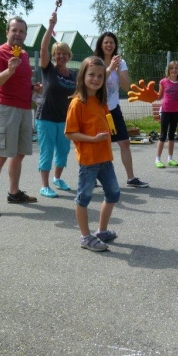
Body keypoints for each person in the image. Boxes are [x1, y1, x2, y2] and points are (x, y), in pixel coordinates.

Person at [0, 17, 43, 217]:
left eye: (21, 31)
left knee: (19, 154)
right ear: (7, 32)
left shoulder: (23, 54)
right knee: (0, 155)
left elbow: (21, 81)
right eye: (14, 30)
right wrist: (9, 70)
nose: (18, 34)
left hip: (24, 108)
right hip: (5, 109)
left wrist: (33, 88)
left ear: (25, 35)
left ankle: (14, 193)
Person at [65, 56, 120, 252]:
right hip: (89, 160)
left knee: (113, 193)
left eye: (100, 76)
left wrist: (110, 130)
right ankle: (86, 237)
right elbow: (70, 133)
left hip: (105, 158)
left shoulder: (100, 101)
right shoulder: (77, 103)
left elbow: (105, 121)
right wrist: (93, 139)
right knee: (84, 198)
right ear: (83, 76)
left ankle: (101, 231)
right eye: (91, 75)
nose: (96, 79)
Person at [94, 32, 149, 188]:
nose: (109, 45)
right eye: (106, 42)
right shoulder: (95, 61)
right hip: (97, 109)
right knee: (97, 144)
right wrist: (110, 67)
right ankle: (91, 177)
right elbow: (96, 82)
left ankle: (131, 178)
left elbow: (126, 87)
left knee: (124, 142)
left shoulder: (121, 62)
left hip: (113, 108)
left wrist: (117, 69)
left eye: (112, 42)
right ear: (101, 44)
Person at [36, 11, 77, 198]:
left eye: (64, 53)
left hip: (65, 119)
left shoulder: (74, 75)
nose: (61, 56)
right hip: (46, 117)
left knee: (63, 150)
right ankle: (44, 186)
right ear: (53, 56)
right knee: (47, 151)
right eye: (58, 53)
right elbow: (43, 48)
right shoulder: (49, 70)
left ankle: (57, 178)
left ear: (69, 56)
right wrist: (51, 26)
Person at [155, 61, 178, 168]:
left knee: (172, 135)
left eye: (176, 68)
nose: (174, 70)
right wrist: (149, 96)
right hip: (165, 111)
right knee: (163, 135)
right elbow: (159, 96)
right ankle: (158, 159)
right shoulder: (163, 82)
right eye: (172, 68)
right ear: (168, 70)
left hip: (175, 111)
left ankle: (170, 158)